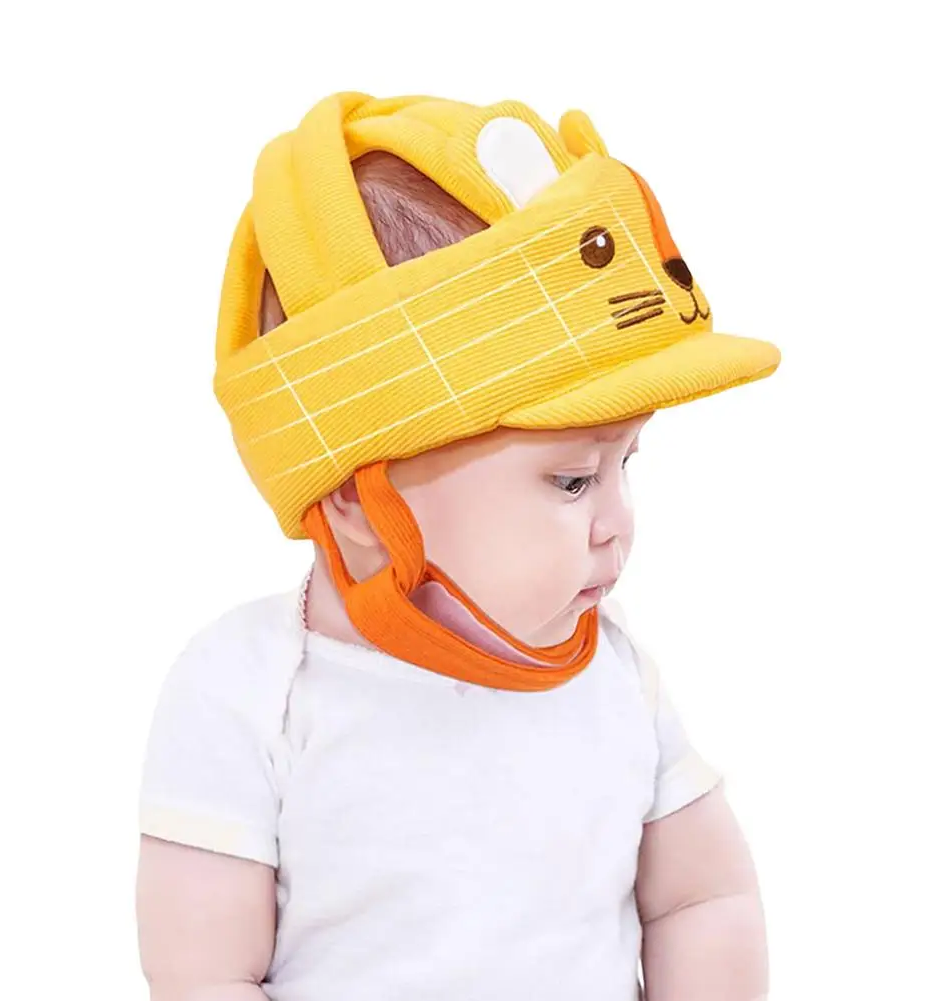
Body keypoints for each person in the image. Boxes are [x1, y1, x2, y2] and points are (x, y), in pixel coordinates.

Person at [135, 92, 780, 1001]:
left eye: (623, 465)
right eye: (571, 480)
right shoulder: (249, 690)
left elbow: (701, 896)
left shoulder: (615, 677)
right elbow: (203, 973)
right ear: (358, 498)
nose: (617, 519)